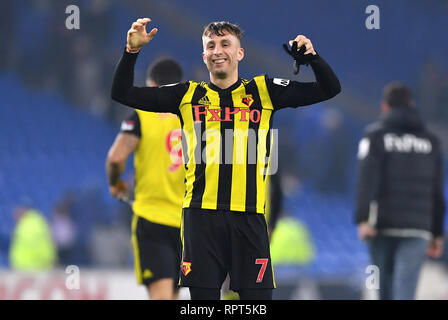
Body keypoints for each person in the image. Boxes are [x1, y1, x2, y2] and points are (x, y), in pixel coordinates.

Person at [111, 18, 341, 300]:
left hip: (249, 218)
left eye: (225, 44)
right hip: (200, 219)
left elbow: (330, 88)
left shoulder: (264, 91)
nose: (218, 50)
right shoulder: (187, 95)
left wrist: (312, 59)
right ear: (204, 56)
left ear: (239, 53)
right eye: (211, 45)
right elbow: (122, 93)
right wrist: (131, 51)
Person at [354, 82, 446, 300]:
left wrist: (362, 218)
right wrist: (437, 233)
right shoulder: (432, 142)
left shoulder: (374, 136)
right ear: (412, 105)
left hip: (382, 224)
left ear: (385, 107)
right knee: (405, 289)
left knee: (383, 289)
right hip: (419, 228)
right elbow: (437, 190)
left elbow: (366, 178)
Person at [106, 58, 185, 300]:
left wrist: (115, 182)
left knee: (161, 297)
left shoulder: (142, 114)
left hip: (153, 219)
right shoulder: (195, 117)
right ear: (181, 84)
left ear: (150, 86)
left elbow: (116, 157)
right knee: (174, 296)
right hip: (189, 225)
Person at [9, 201, 56, 271]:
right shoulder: (36, 222)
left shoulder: (28, 226)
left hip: (30, 266)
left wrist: (47, 259)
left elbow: (36, 244)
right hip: (34, 264)